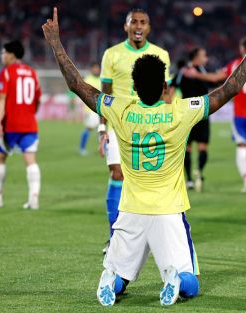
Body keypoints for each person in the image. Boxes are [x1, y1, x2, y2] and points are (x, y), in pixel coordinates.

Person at [43, 7, 246, 306]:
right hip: (168, 212)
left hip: (131, 211)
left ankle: (111, 280)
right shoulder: (180, 112)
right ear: (165, 86)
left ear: (134, 87)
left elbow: (77, 84)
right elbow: (231, 88)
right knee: (191, 283)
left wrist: (56, 42)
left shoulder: (120, 110)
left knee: (121, 272)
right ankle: (174, 278)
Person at [98, 8, 172, 253]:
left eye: (143, 22)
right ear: (126, 26)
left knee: (148, 181)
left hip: (151, 125)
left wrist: (169, 125)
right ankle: (114, 237)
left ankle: (153, 236)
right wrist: (101, 127)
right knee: (117, 174)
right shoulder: (112, 54)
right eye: (134, 22)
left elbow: (166, 93)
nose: (138, 26)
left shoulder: (161, 54)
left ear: (149, 28)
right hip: (119, 125)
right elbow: (104, 94)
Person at [184, 38, 246, 193]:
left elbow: (216, 78)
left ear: (242, 49)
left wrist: (195, 75)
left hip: (240, 115)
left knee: (241, 147)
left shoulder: (235, 64)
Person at [0, 40, 42, 209]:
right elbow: (38, 100)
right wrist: (29, 114)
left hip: (10, 125)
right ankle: (33, 199)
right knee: (31, 160)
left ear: (12, 55)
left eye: (3, 52)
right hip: (29, 124)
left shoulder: (6, 72)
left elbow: (1, 98)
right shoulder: (32, 72)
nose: (2, 56)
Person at [174, 48, 212, 192]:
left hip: (187, 115)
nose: (206, 58)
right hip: (200, 113)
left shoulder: (183, 71)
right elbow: (214, 81)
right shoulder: (201, 71)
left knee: (187, 148)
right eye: (204, 55)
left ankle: (189, 179)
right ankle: (198, 172)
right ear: (196, 57)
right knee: (202, 147)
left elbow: (172, 86)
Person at [79, 62, 101, 155]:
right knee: (89, 128)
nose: (96, 70)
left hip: (101, 109)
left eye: (98, 68)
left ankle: (103, 148)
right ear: (91, 69)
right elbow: (84, 95)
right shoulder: (88, 80)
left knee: (102, 129)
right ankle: (82, 148)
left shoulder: (102, 79)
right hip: (90, 109)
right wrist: (85, 110)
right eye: (94, 68)